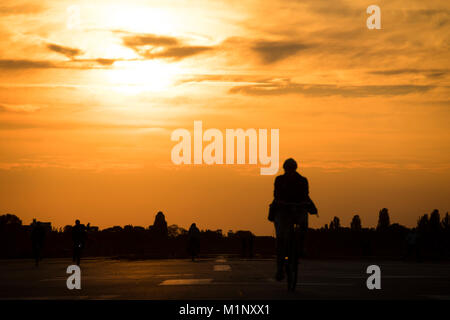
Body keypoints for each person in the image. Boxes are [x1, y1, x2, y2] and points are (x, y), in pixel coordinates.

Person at [270, 158, 317, 281]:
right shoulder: (279, 180)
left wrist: (304, 204)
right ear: (285, 169)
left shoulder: (302, 180)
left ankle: (301, 246)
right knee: (280, 238)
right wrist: (282, 203)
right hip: (283, 210)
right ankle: (280, 269)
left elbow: (305, 194)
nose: (289, 171)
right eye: (288, 168)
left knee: (304, 224)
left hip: (298, 208)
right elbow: (276, 195)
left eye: (291, 168)